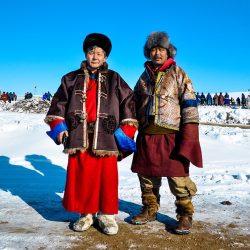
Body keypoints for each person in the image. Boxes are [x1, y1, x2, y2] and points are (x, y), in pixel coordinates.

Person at [45, 33, 138, 235]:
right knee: (82, 176)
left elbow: (129, 104)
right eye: (91, 52)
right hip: (79, 135)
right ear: (86, 54)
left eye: (99, 53)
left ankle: (106, 215)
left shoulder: (115, 79)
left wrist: (126, 131)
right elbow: (58, 105)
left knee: (107, 177)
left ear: (105, 57)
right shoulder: (70, 79)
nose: (95, 57)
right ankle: (85, 213)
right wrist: (60, 128)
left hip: (107, 135)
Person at [131, 32, 203, 235]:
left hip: (172, 135)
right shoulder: (143, 77)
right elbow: (133, 103)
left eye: (161, 49)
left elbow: (190, 105)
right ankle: (149, 209)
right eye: (153, 49)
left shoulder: (179, 74)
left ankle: (185, 215)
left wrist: (189, 135)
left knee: (178, 178)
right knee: (146, 176)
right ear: (148, 52)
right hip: (146, 134)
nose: (157, 53)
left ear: (168, 51)